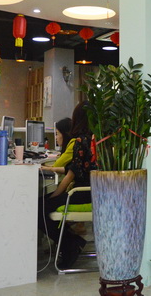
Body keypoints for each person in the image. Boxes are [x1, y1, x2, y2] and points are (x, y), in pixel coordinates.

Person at [38, 103, 97, 268]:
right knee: (43, 203)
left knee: (39, 208)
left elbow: (71, 174)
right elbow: (75, 169)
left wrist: (55, 195)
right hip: (94, 191)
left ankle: (70, 245)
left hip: (81, 192)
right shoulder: (94, 139)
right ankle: (72, 242)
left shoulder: (80, 141)